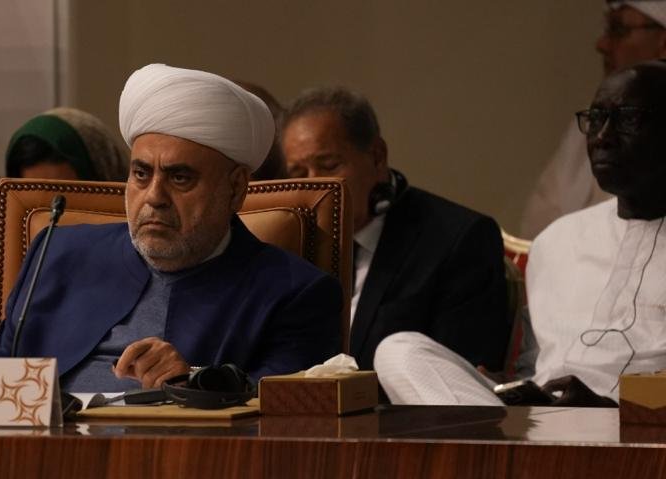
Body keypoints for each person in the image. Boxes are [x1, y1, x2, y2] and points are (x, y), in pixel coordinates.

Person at [0, 64, 342, 392]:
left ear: (235, 188)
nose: (154, 197)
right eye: (141, 174)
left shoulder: (294, 293)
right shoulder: (57, 253)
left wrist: (191, 381)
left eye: (180, 178)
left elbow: (281, 405)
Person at [377, 60, 666, 405]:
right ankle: (485, 430)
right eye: (596, 118)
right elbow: (537, 362)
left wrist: (610, 407)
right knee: (398, 349)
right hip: (543, 417)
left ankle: (481, 435)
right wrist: (508, 386)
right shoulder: (557, 241)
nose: (603, 137)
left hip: (636, 425)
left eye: (628, 119)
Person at [281, 87, 508, 372]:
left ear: (377, 156)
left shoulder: (458, 240)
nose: (315, 186)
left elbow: (459, 379)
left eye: (329, 166)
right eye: (299, 174)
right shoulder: (288, 247)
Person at [0, 107, 129, 356]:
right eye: (37, 203)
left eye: (62, 199)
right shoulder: (0, 245)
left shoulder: (137, 247)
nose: (49, 217)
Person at [520, 0, 666, 239]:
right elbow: (539, 228)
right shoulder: (597, 117)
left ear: (664, 43)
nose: (602, 44)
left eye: (618, 29)